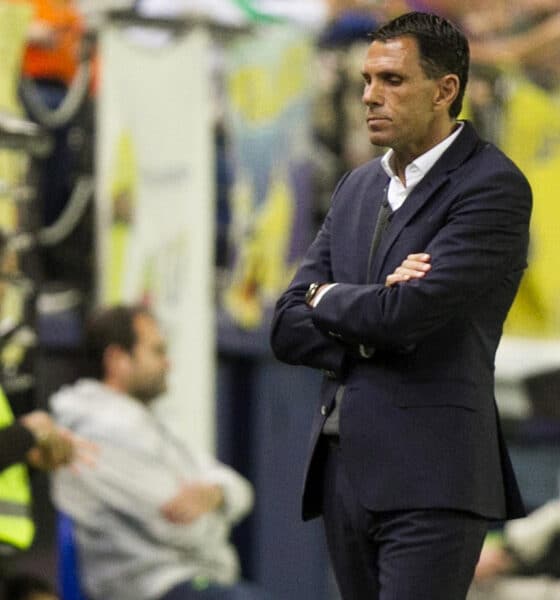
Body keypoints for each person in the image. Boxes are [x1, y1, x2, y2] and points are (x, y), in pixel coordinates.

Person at [270, 11, 532, 600]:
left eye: (392, 81)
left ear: (445, 91)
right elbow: (287, 326)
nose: (370, 96)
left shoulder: (492, 186)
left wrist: (333, 300)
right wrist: (365, 304)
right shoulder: (358, 186)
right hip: (345, 474)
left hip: (432, 477)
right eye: (367, 80)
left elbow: (407, 315)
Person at [50, 305, 271, 600]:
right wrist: (219, 510)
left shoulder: (153, 424)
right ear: (118, 360)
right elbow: (180, 526)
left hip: (192, 580)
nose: (168, 364)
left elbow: (241, 490)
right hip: (148, 589)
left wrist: (215, 493)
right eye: (157, 351)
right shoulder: (96, 431)